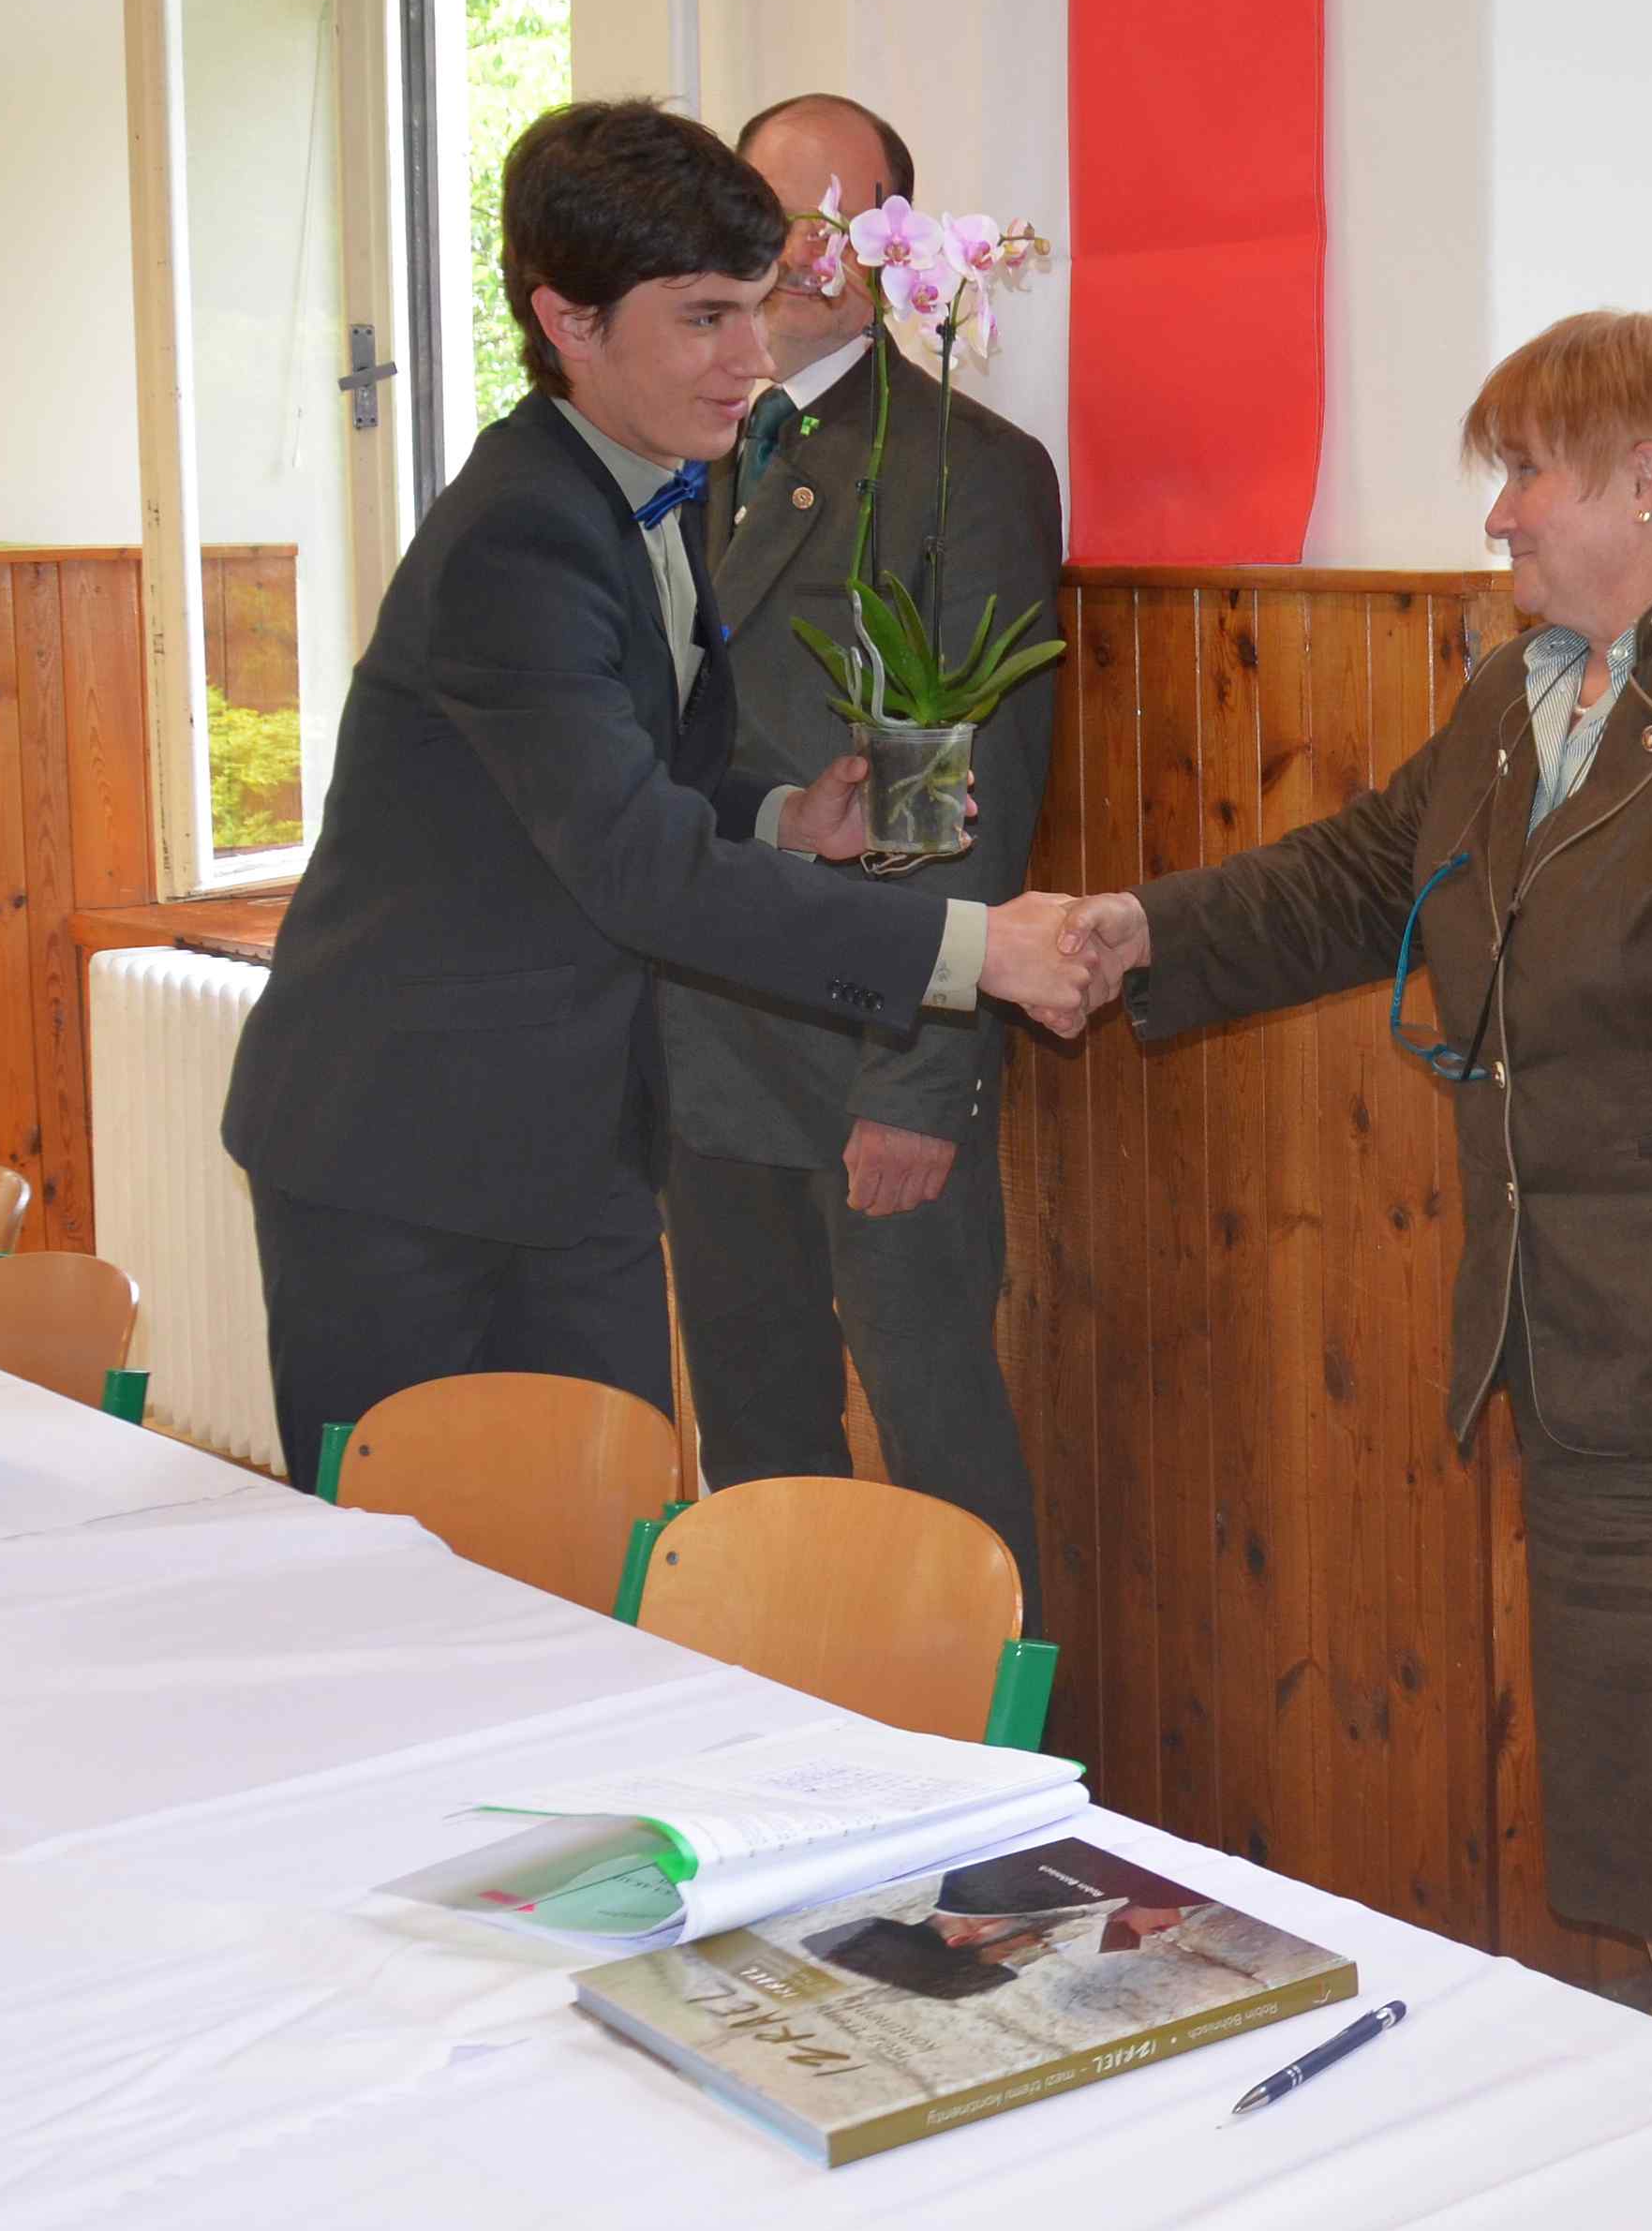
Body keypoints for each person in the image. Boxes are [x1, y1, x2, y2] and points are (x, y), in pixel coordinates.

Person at [1049, 311, 1652, 2090]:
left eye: (1525, 474)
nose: (1498, 515)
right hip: (1606, 1366)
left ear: (1646, 478)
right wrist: (1134, 933)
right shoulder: (1525, 699)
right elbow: (1370, 876)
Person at [224, 99, 1084, 1491]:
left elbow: (657, 766)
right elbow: (634, 861)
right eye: (705, 319)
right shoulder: (521, 534)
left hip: (583, 1136)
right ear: (569, 321)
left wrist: (783, 816)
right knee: (431, 1573)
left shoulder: (661, 477)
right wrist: (976, 950)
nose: (754, 356)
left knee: (615, 1540)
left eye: (755, 305)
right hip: (412, 1156)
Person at [658, 93, 1062, 1588]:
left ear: (898, 250)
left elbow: (957, 792)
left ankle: (1006, 1736)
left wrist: (920, 1077)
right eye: (774, 220)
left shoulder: (957, 463)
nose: (803, 253)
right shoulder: (683, 452)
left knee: (940, 1455)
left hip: (864, 1054)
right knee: (759, 1454)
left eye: (842, 221)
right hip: (704, 1045)